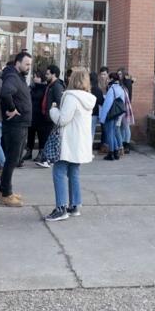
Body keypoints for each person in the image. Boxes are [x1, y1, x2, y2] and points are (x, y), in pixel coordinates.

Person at [45, 66, 97, 221]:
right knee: (73, 173)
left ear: (72, 79)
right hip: (80, 143)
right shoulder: (88, 99)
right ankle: (75, 205)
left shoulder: (71, 96)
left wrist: (53, 109)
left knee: (59, 172)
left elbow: (62, 120)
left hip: (67, 142)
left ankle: (61, 208)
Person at [0, 50, 33, 207]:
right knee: (12, 159)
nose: (29, 67)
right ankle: (6, 194)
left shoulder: (18, 77)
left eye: (30, 64)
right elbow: (5, 93)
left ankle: (2, 190)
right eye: (26, 64)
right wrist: (12, 109)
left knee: (12, 159)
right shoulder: (12, 76)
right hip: (15, 126)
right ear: (17, 63)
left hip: (19, 124)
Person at [33, 65, 64, 168]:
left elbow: (59, 102)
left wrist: (54, 112)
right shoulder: (50, 85)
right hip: (46, 116)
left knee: (49, 140)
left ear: (54, 74)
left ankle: (47, 159)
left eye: (47, 74)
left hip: (51, 118)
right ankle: (47, 159)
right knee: (47, 139)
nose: (45, 76)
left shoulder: (57, 86)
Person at [99, 71, 129, 161]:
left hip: (110, 114)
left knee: (109, 134)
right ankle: (115, 152)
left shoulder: (112, 89)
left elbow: (107, 105)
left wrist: (102, 118)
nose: (107, 80)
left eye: (108, 78)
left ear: (111, 79)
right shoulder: (120, 88)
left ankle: (111, 153)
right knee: (113, 133)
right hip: (117, 114)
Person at [92, 67, 108, 151]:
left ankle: (103, 145)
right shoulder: (97, 84)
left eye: (104, 74)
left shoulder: (109, 84)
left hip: (104, 108)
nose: (102, 76)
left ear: (107, 74)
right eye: (101, 74)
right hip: (98, 108)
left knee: (104, 127)